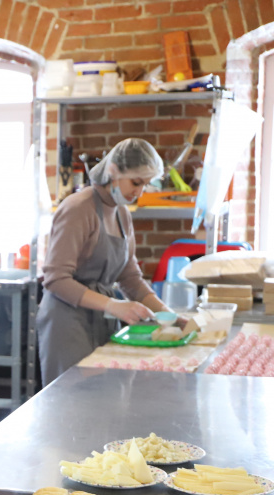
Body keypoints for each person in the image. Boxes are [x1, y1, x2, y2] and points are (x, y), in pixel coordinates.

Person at [37, 138, 177, 386]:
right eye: (136, 183)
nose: (139, 192)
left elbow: (130, 277)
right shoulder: (78, 209)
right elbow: (56, 279)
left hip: (101, 318)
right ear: (112, 171)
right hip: (67, 322)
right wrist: (113, 305)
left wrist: (167, 315)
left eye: (145, 184)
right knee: (73, 401)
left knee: (103, 398)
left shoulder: (122, 213)